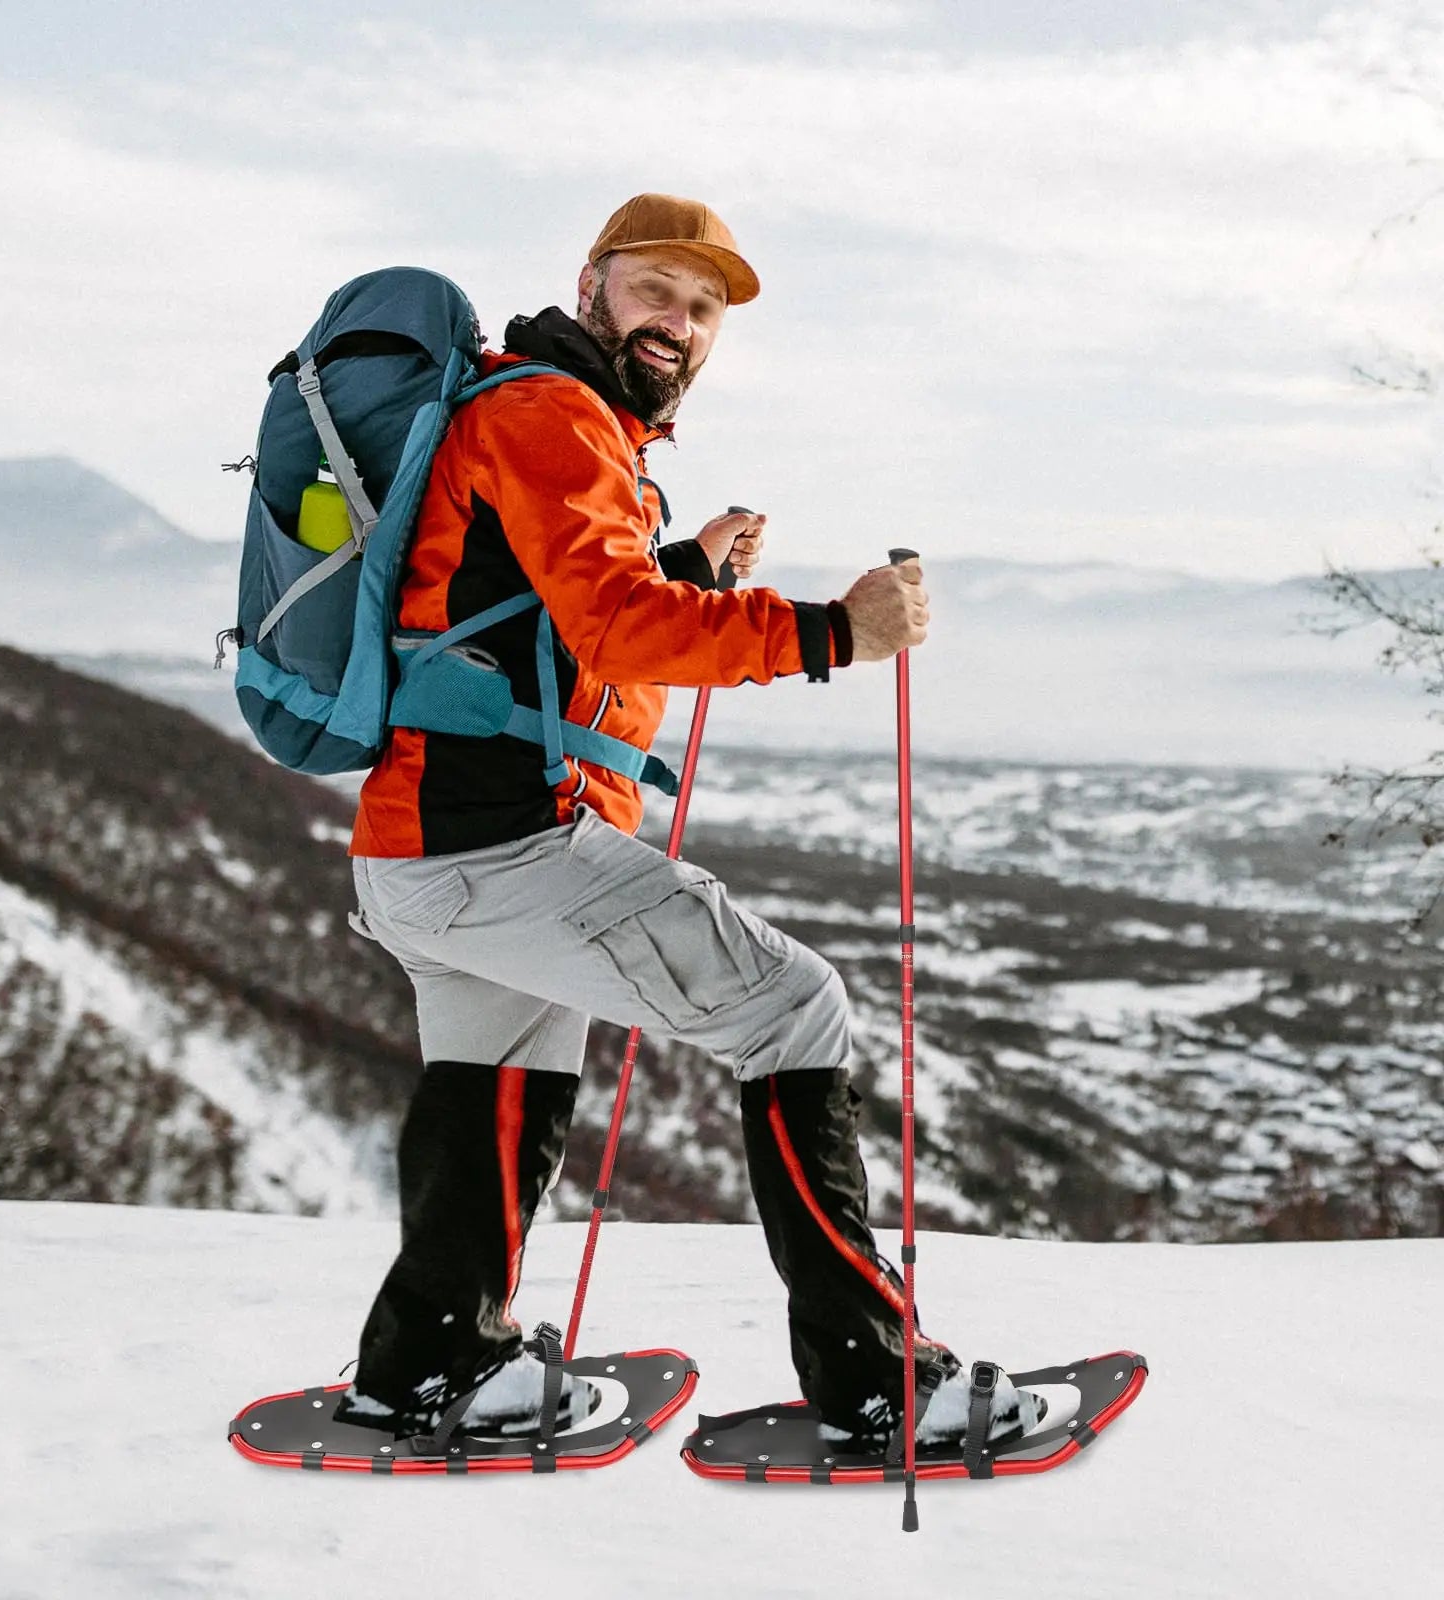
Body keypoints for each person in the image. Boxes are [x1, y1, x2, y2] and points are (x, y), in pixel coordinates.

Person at [333, 193, 1037, 1452]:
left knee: (498, 1082)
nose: (682, 320)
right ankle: (880, 1383)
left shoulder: (538, 415)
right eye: (658, 288)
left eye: (705, 307)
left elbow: (565, 643)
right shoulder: (555, 414)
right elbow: (615, 627)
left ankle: (425, 1365)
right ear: (594, 281)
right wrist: (833, 632)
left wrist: (692, 574)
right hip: (501, 850)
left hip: (423, 854)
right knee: (794, 1005)